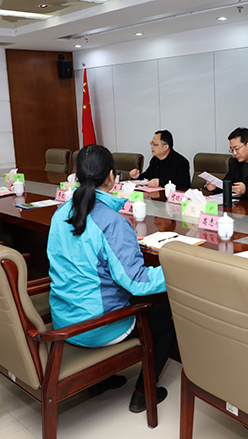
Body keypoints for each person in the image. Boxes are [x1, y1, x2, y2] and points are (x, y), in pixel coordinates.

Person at [47, 144, 176, 413]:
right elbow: (137, 283)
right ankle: (143, 393)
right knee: (167, 317)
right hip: (96, 326)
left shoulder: (60, 213)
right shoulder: (111, 221)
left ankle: (100, 381)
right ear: (111, 177)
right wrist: (181, 272)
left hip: (63, 318)